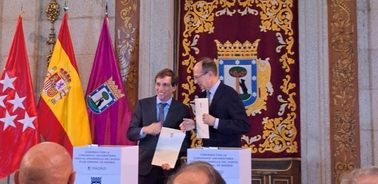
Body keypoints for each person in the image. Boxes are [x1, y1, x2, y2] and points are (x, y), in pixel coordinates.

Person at [127, 68, 191, 184]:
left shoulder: (182, 109)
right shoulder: (143, 105)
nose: (160, 89)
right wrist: (146, 130)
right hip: (145, 168)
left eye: (165, 85)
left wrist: (173, 158)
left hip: (168, 170)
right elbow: (131, 133)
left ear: (174, 87)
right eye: (158, 84)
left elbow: (186, 142)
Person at [180, 57, 250, 147]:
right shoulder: (202, 96)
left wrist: (215, 122)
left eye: (197, 77)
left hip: (228, 153)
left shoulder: (230, 94)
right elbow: (207, 128)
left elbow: (243, 125)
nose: (195, 81)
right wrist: (195, 125)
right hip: (208, 152)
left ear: (209, 75)